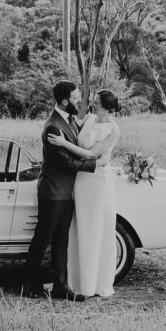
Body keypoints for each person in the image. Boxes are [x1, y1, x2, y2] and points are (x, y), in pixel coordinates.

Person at [22, 81, 109, 302]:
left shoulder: (70, 121)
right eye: (76, 97)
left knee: (62, 240)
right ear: (64, 101)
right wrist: (94, 165)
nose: (79, 100)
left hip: (67, 191)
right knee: (43, 239)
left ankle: (61, 286)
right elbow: (66, 163)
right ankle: (28, 285)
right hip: (53, 192)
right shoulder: (53, 126)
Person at [46, 89, 121, 297]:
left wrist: (63, 143)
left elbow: (90, 154)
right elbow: (75, 134)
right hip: (80, 181)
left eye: (96, 102)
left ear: (106, 106)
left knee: (94, 229)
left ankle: (93, 283)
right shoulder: (88, 118)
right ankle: (74, 280)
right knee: (78, 229)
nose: (91, 104)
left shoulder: (114, 130)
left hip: (97, 182)